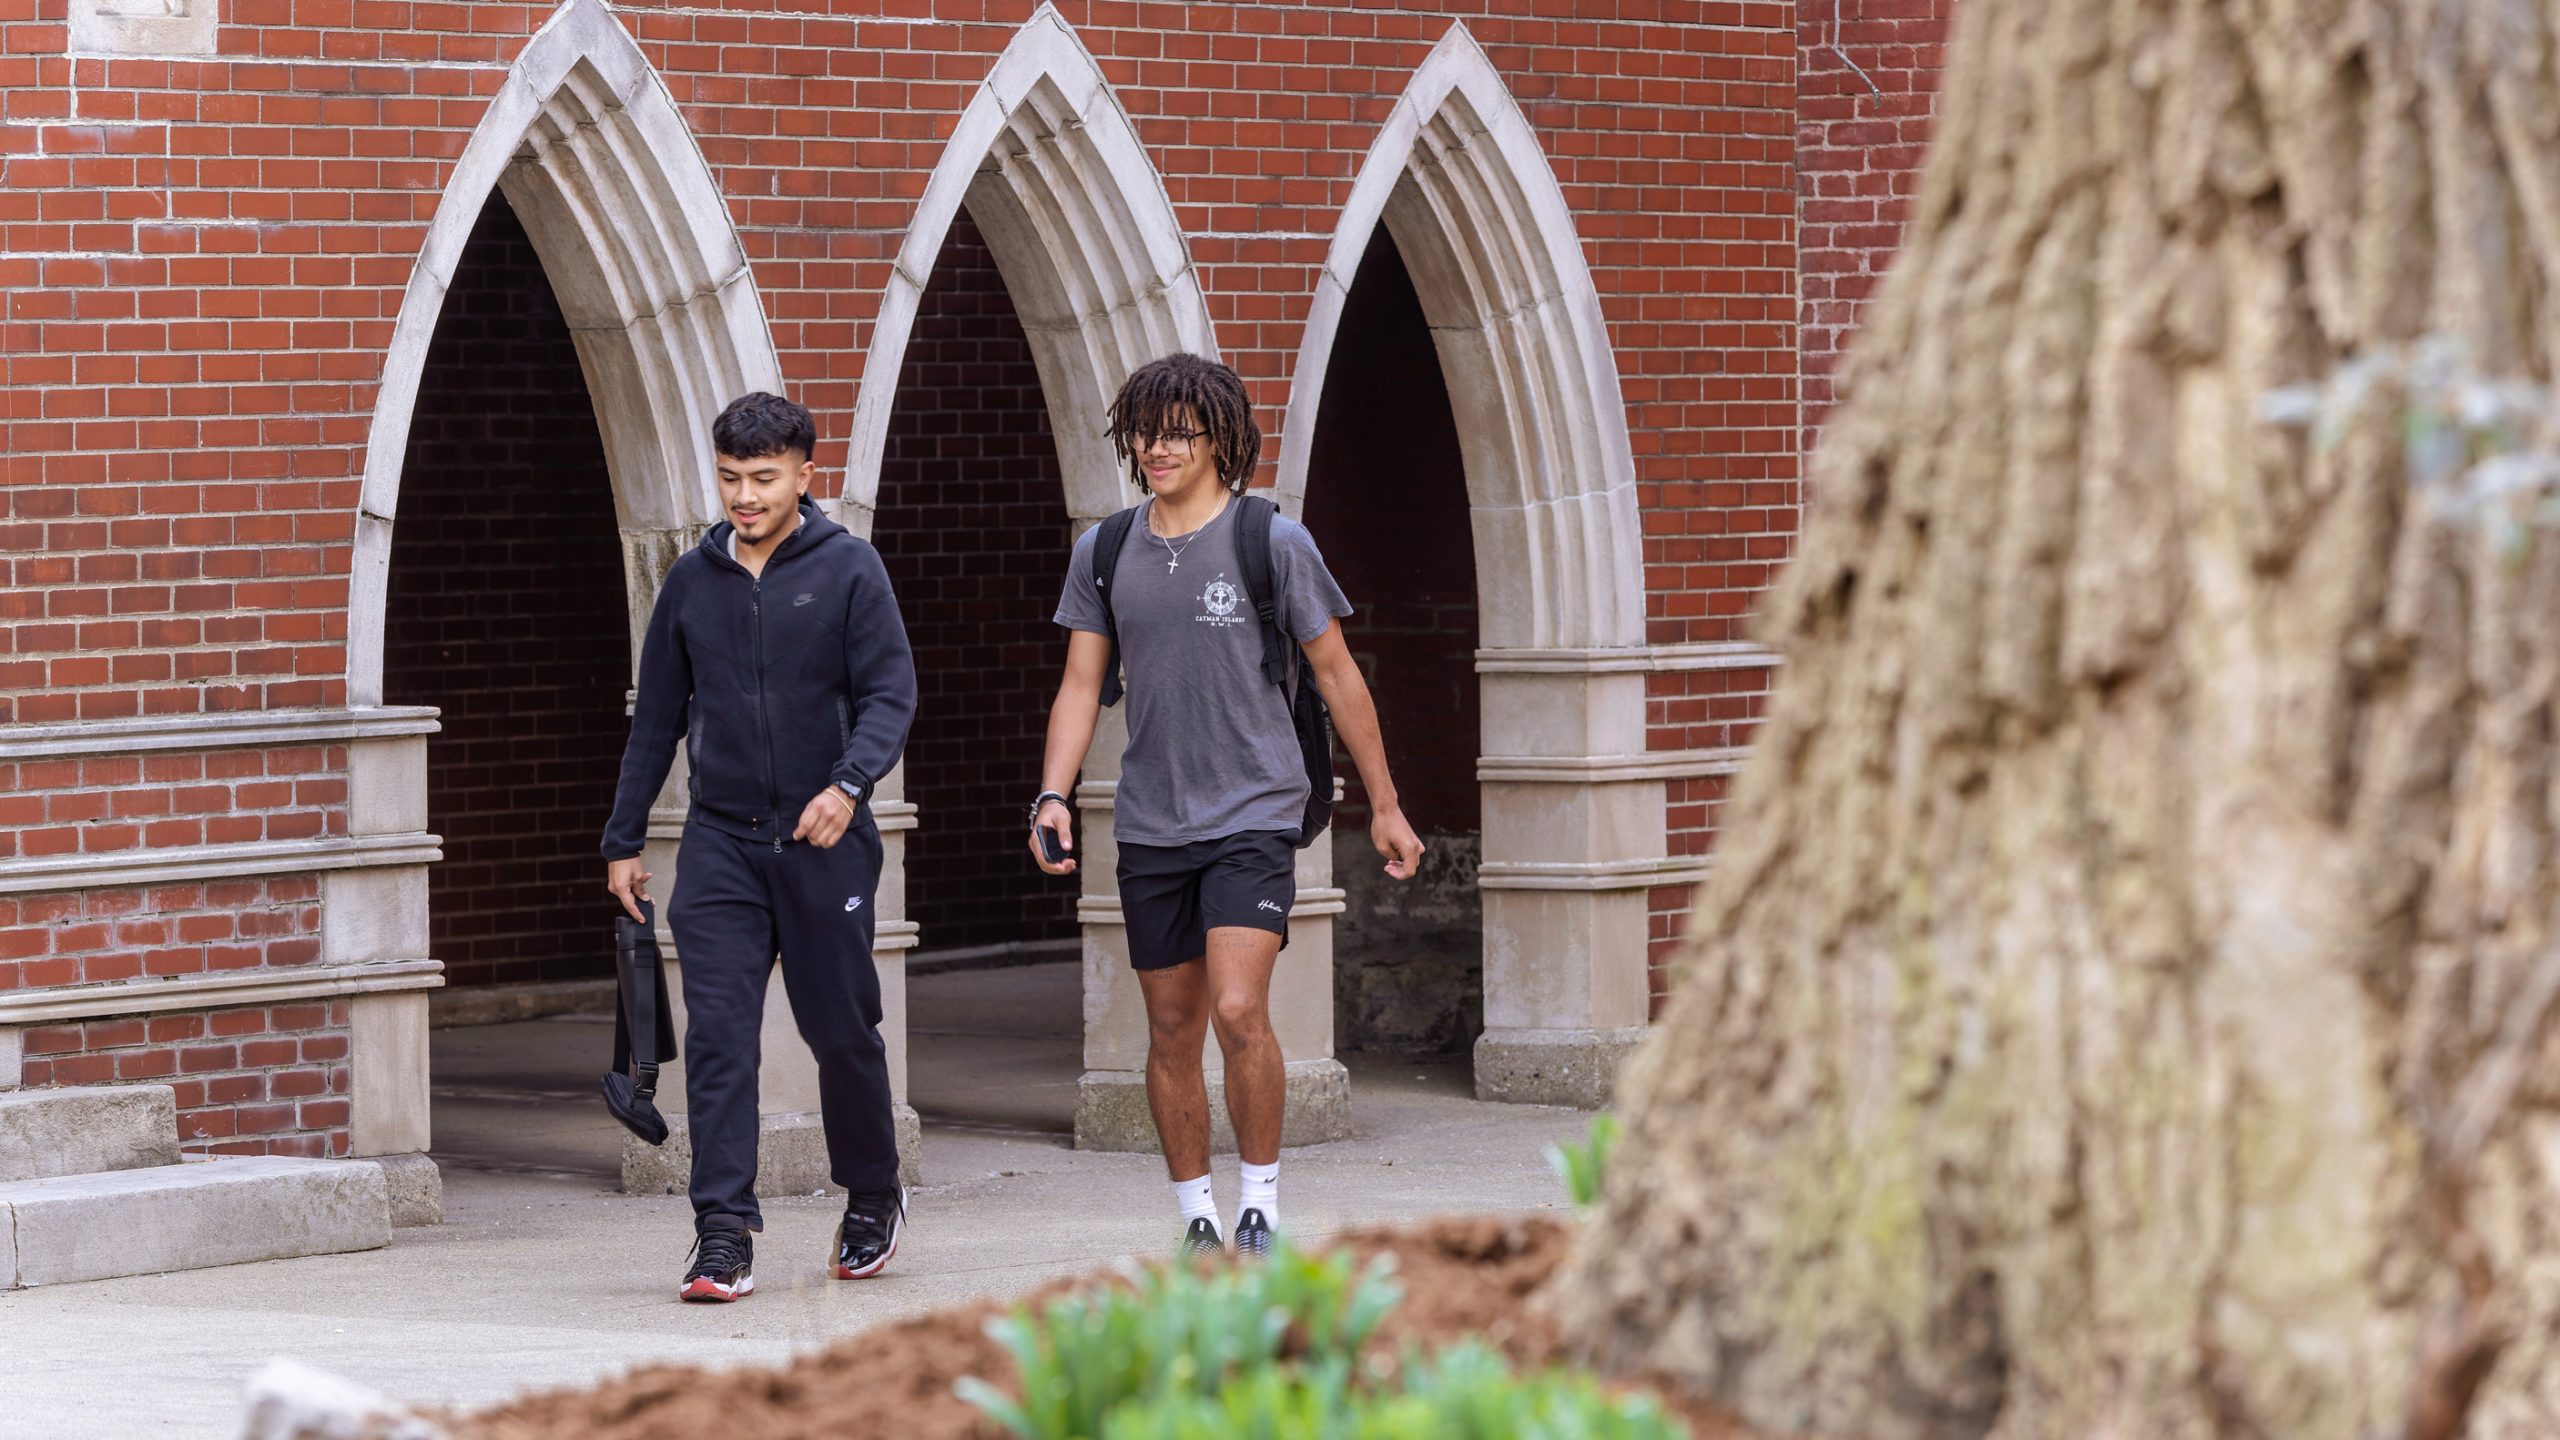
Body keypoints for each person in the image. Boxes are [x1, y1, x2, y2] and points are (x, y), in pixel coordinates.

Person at [1030, 352, 1424, 1259]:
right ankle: (1196, 1217)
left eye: (1178, 433)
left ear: (1221, 438)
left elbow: (1337, 674)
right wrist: (1053, 791)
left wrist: (1387, 804)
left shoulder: (1270, 543)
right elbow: (1082, 686)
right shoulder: (1107, 550)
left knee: (1239, 1010)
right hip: (1151, 822)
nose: (1156, 448)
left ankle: (1260, 1206)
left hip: (1253, 812)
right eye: (1145, 432)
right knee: (1171, 1025)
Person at [601, 391, 918, 1302]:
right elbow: (655, 719)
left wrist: (848, 783)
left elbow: (892, 695)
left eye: (764, 479)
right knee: (720, 1040)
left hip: (825, 843)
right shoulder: (693, 582)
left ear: (805, 476)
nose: (744, 496)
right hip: (720, 846)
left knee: (841, 1031)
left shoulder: (851, 570)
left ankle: (871, 1194)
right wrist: (623, 842)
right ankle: (722, 1233)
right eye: (732, 478)